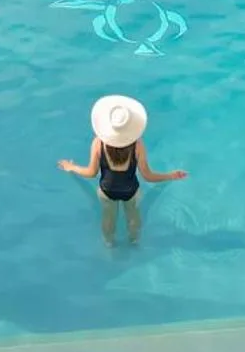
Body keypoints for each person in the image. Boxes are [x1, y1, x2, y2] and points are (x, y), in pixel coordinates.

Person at [58, 94, 186, 247]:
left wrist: (71, 167)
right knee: (133, 217)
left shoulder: (98, 143)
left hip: (107, 190)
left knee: (108, 218)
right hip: (130, 190)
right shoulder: (137, 145)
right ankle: (134, 241)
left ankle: (109, 244)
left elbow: (91, 173)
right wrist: (171, 175)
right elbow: (148, 176)